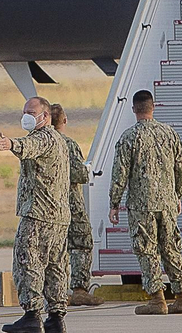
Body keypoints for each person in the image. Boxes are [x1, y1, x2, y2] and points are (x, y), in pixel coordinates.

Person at [108, 89, 182, 316]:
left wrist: (114, 203)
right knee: (171, 248)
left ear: (134, 109)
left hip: (141, 205)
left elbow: (120, 174)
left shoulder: (128, 137)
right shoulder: (169, 134)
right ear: (153, 107)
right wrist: (177, 195)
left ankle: (157, 299)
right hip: (166, 203)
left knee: (147, 250)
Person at [0, 97, 71, 333]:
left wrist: (12, 144)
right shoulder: (60, 139)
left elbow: (30, 147)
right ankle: (56, 318)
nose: (26, 115)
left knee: (28, 262)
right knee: (55, 266)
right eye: (25, 111)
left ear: (45, 116)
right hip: (58, 216)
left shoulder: (44, 138)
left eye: (32, 112)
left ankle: (31, 315)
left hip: (38, 214)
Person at [50, 104, 102, 307]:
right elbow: (80, 174)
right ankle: (79, 289)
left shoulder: (40, 143)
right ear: (64, 121)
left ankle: (57, 290)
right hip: (70, 203)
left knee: (55, 248)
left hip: (49, 205)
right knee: (81, 243)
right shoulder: (68, 144)